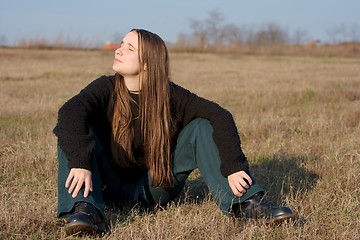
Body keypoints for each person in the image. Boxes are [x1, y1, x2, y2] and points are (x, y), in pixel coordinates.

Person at [54, 28, 294, 236]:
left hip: (156, 187)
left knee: (201, 126)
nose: (118, 50)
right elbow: (69, 112)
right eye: (120, 44)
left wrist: (233, 166)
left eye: (129, 48)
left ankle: (247, 204)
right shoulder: (105, 88)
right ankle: (85, 211)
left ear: (147, 63)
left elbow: (220, 115)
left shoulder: (171, 96)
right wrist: (81, 161)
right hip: (109, 187)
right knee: (75, 128)